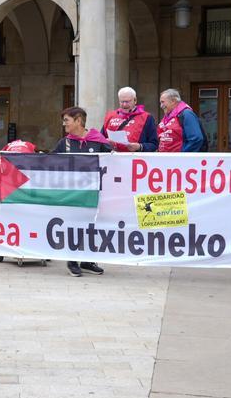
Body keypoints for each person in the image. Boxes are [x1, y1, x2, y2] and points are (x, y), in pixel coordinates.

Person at [52, 106, 112, 278]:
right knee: (73, 226)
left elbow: (114, 162)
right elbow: (50, 162)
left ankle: (87, 261)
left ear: (78, 121)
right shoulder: (64, 143)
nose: (64, 124)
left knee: (91, 227)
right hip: (72, 194)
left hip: (93, 194)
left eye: (67, 121)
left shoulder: (99, 141)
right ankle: (72, 261)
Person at [101, 87, 159, 152]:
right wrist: (107, 144)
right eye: (122, 101)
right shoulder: (110, 116)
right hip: (113, 158)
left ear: (135, 100)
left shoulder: (147, 117)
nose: (124, 105)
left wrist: (139, 147)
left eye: (127, 101)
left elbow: (154, 144)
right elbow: (100, 139)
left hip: (135, 159)